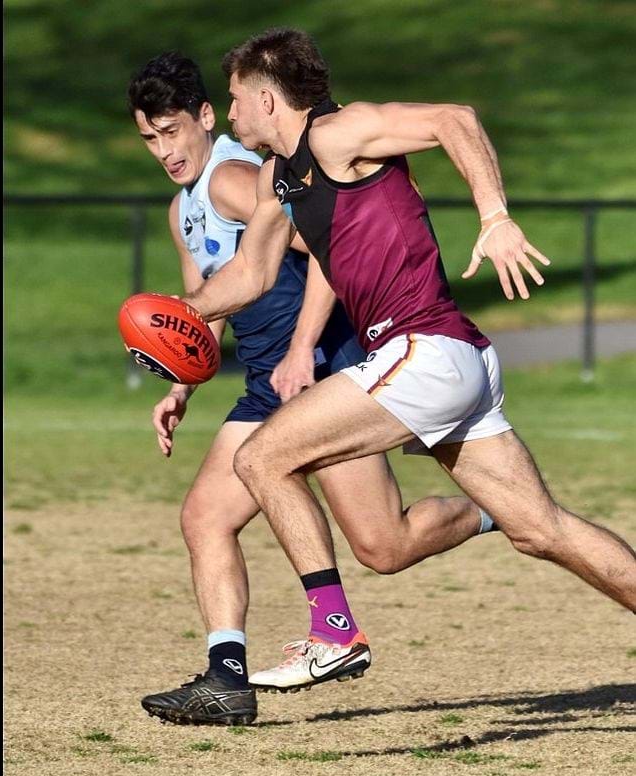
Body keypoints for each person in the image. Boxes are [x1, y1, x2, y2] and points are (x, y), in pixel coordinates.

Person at [177, 28, 636, 692]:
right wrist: (184, 310)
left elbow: (456, 120)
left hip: (424, 351)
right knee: (541, 530)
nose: (234, 112)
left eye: (237, 98)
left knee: (262, 457)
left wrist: (495, 216)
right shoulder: (282, 177)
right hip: (455, 361)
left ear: (268, 99)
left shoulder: (339, 134)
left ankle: (334, 635)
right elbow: (249, 274)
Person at [126, 52, 494, 726]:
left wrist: (301, 350)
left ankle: (492, 510)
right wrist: (181, 382)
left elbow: (331, 247)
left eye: (173, 131)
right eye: (150, 139)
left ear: (206, 118)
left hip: (321, 369)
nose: (165, 151)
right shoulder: (183, 211)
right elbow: (208, 309)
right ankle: (226, 677)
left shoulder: (237, 179)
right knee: (205, 516)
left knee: (386, 545)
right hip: (266, 385)